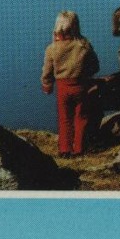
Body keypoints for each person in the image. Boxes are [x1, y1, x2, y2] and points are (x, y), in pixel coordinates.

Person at [40, 10, 99, 155]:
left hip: (62, 88)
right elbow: (95, 66)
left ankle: (65, 149)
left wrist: (47, 84)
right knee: (81, 118)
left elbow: (47, 71)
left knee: (64, 118)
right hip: (81, 86)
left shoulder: (52, 48)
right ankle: (79, 148)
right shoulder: (84, 45)